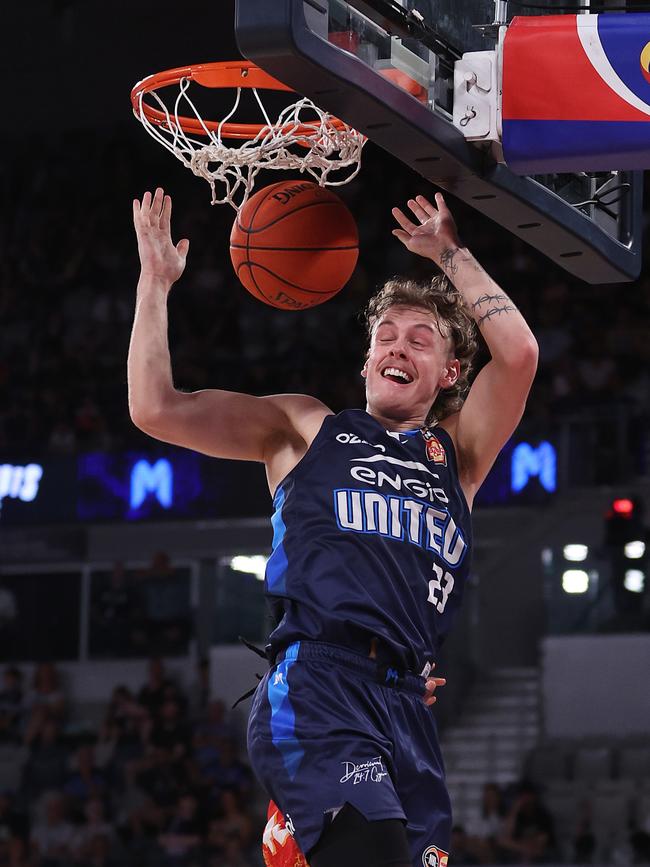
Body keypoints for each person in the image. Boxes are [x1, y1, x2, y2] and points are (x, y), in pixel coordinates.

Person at [130, 187, 538, 867]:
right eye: (385, 334)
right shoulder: (306, 426)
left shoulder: (456, 454)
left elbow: (519, 352)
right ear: (367, 360)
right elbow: (155, 407)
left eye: (420, 338)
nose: (397, 345)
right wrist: (154, 283)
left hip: (405, 704)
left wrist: (449, 252)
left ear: (450, 371)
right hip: (319, 685)